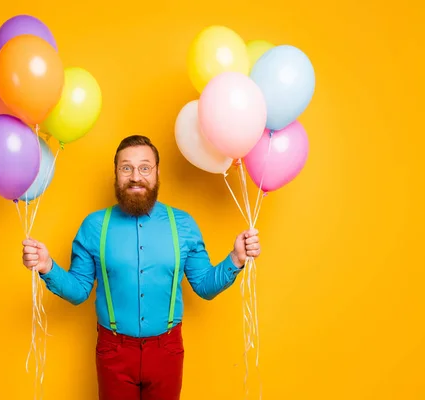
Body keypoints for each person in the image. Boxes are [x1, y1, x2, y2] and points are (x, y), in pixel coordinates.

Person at [21, 135, 261, 400]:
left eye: (145, 167)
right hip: (113, 350)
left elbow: (204, 285)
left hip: (167, 350)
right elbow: (78, 290)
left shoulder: (183, 224)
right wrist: (47, 267)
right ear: (116, 173)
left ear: (157, 172)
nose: (136, 176)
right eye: (127, 168)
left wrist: (236, 259)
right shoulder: (94, 226)